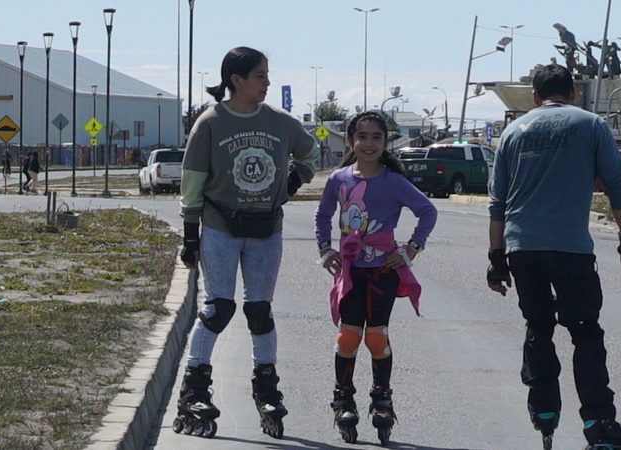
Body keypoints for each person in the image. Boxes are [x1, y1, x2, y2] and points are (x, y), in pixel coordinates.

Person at [486, 64, 621, 449]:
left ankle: (544, 412)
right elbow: (617, 188)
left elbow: (497, 205)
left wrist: (496, 256)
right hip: (571, 249)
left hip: (523, 249)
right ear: (574, 92)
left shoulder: (512, 133)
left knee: (538, 328)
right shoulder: (590, 125)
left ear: (535, 97)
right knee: (585, 331)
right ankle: (598, 422)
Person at [174, 46, 319, 439]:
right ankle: (194, 389)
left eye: (267, 75)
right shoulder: (210, 122)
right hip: (220, 225)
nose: (267, 82)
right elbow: (193, 183)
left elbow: (312, 153)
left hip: (266, 229)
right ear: (236, 80)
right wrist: (191, 237)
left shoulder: (280, 122)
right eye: (259, 75)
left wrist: (291, 181)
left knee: (259, 311)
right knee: (219, 307)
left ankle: (266, 387)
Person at [314, 111, 437, 445]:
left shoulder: (393, 182)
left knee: (377, 338)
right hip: (351, 271)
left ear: (386, 142)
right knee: (348, 338)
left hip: (383, 271)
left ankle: (381, 398)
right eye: (362, 136)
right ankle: (344, 399)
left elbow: (428, 211)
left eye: (377, 137)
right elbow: (323, 214)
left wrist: (411, 249)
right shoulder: (339, 179)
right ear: (352, 139)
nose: (369, 144)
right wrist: (326, 249)